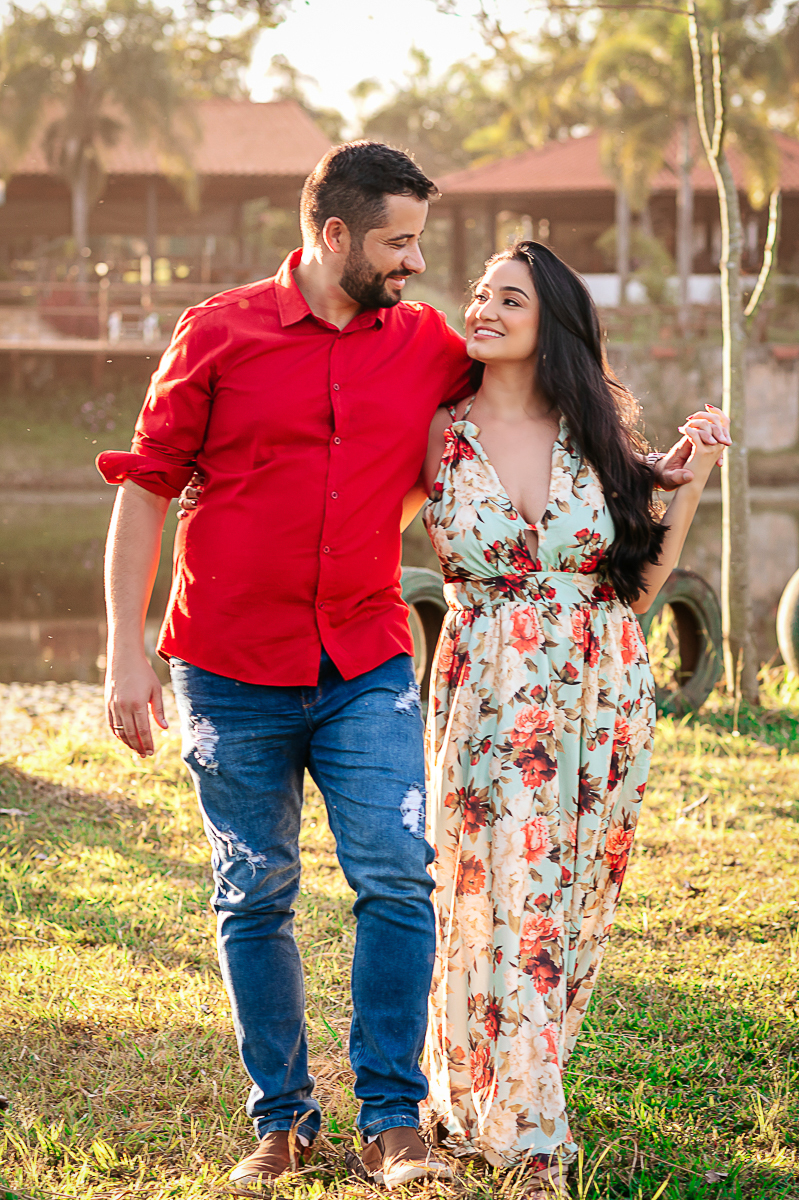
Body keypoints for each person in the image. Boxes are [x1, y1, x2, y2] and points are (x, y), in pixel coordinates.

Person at [99, 138, 723, 1193]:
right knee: (253, 892)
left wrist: (655, 471)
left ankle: (394, 1120)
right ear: (335, 233)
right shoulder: (217, 332)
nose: (417, 264)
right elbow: (147, 484)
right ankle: (282, 1120)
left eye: (422, 243)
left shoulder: (428, 342)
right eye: (399, 243)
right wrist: (124, 648)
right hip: (227, 661)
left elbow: (540, 401)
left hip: (364, 659)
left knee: (397, 875)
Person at [407, 241, 727, 1198]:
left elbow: (638, 585)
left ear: (553, 320)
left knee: (565, 898)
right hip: (485, 691)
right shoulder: (436, 429)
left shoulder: (595, 434)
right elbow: (353, 523)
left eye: (509, 298)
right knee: (487, 891)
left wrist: (692, 479)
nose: (483, 308)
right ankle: (513, 1119)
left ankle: (517, 1089)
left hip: (599, 692)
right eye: (478, 294)